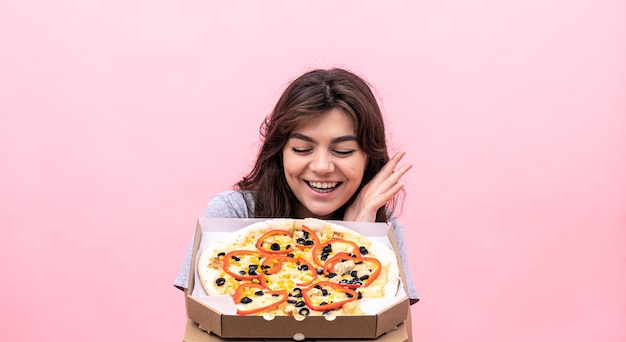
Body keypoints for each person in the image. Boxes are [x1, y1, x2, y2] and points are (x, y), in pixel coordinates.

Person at [174, 68, 419, 339]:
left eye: (343, 151)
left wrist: (359, 235)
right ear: (279, 151)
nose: (322, 167)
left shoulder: (382, 227)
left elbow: (397, 332)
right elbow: (204, 323)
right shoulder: (231, 213)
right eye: (302, 149)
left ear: (367, 157)